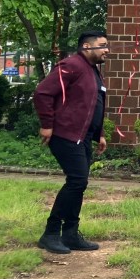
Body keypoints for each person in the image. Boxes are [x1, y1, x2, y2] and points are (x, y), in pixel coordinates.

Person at [32, 30, 110, 254]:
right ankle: (50, 233)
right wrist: (47, 124)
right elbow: (43, 93)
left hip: (83, 136)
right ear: (87, 46)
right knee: (77, 181)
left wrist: (99, 133)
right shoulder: (71, 65)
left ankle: (71, 234)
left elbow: (94, 104)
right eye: (102, 45)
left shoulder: (93, 71)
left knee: (79, 183)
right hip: (65, 134)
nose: (107, 50)